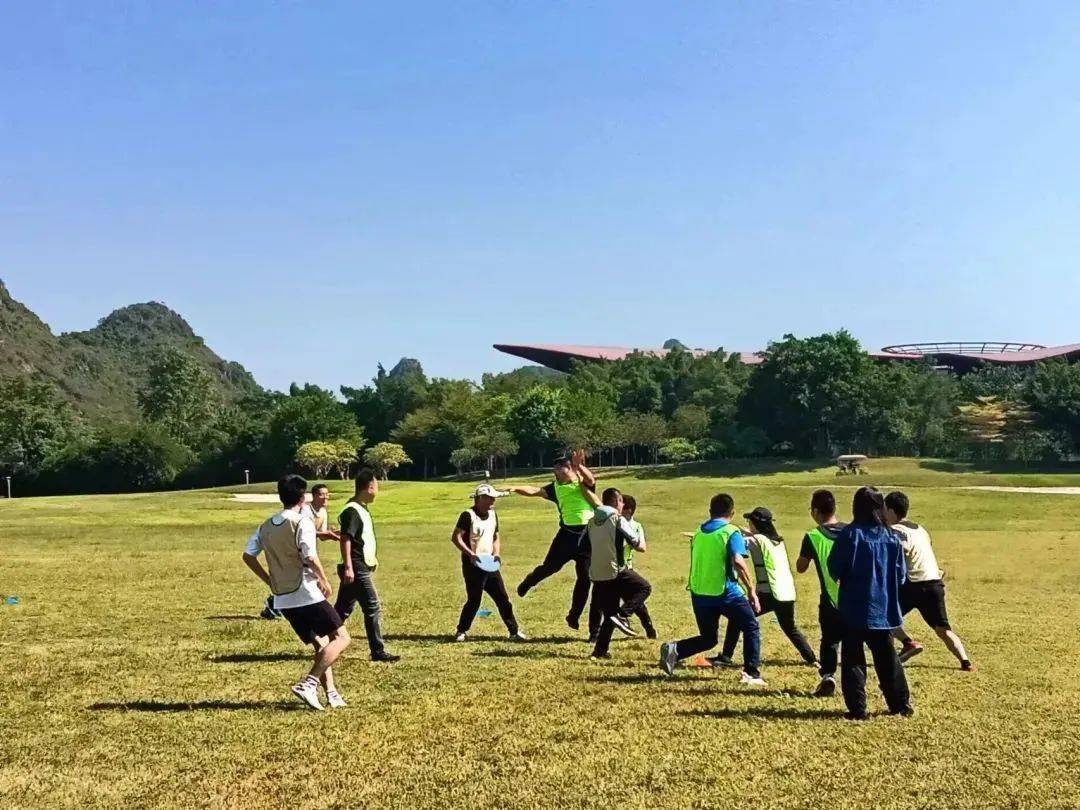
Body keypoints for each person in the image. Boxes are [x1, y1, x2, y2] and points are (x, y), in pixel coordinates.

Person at [242, 474, 351, 711]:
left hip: (284, 599)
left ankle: (331, 694)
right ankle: (309, 683)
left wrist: (268, 580)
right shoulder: (303, 523)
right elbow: (310, 556)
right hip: (306, 592)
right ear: (303, 497)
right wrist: (323, 579)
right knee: (341, 638)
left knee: (321, 645)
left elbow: (248, 556)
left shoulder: (266, 526)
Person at [659, 494, 765, 686]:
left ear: (710, 512)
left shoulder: (699, 532)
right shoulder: (731, 532)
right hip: (725, 591)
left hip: (699, 593)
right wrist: (751, 591)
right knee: (751, 625)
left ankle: (675, 649)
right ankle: (752, 673)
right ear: (732, 513)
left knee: (708, 638)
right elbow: (739, 562)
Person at [827, 486, 913, 720]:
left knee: (853, 659)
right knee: (888, 659)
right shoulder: (891, 537)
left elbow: (834, 568)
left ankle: (857, 708)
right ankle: (900, 704)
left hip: (854, 607)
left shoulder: (850, 535)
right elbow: (901, 576)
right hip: (883, 609)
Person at [507, 450, 602, 639]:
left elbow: (591, 479)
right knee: (550, 567)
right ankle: (529, 581)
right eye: (555, 470)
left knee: (585, 578)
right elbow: (535, 491)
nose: (557, 473)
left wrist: (579, 467)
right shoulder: (555, 487)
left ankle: (574, 616)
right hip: (566, 535)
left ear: (570, 469)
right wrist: (515, 488)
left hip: (587, 537)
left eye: (560, 469)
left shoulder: (581, 483)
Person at [716, 506, 815, 668]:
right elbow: (754, 537)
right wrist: (746, 531)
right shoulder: (777, 541)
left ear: (755, 524)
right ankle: (812, 659)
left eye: (750, 521)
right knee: (790, 628)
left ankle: (726, 657)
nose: (748, 524)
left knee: (738, 618)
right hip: (785, 593)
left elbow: (735, 543)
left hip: (769, 593)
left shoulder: (757, 540)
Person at [885, 491, 973, 671]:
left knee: (884, 618)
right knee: (943, 629)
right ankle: (966, 662)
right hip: (934, 583)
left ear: (892, 511)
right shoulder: (920, 529)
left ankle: (908, 643)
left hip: (913, 585)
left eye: (884, 509)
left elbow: (901, 548)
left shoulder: (896, 531)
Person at [577, 482, 651, 660]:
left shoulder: (592, 522)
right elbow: (637, 544)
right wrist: (639, 541)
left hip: (598, 573)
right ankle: (623, 615)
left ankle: (599, 651)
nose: (623, 505)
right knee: (644, 588)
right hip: (616, 570)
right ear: (618, 501)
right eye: (621, 501)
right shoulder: (618, 519)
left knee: (609, 614)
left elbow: (581, 545)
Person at [334, 469, 400, 663]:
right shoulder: (352, 510)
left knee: (342, 609)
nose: (377, 490)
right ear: (369, 486)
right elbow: (345, 539)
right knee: (372, 606)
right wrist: (348, 567)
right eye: (376, 486)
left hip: (360, 566)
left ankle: (318, 635)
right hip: (356, 567)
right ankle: (377, 651)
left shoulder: (360, 508)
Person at [452, 484, 526, 642]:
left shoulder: (493, 514)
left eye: (493, 498)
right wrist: (470, 554)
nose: (492, 501)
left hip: (490, 563)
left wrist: (497, 553)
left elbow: (496, 536)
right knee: (474, 600)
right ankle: (461, 631)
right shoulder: (468, 515)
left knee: (502, 599)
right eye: (489, 498)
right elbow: (456, 537)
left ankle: (514, 631)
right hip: (473, 564)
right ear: (479, 499)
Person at [260, 483, 339, 620]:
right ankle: (274, 603)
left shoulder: (323, 512)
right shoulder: (306, 510)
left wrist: (332, 535)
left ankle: (276, 605)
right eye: (322, 494)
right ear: (313, 496)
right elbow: (300, 529)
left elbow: (320, 535)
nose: (326, 497)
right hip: (295, 550)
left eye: (327, 494)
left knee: (302, 582)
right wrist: (325, 534)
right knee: (296, 579)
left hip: (307, 550)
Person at [796, 489, 847, 697]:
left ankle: (828, 676)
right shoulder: (851, 530)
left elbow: (801, 567)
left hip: (830, 599)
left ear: (815, 511)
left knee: (829, 639)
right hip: (856, 597)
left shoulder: (812, 536)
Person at [620, 495, 656, 639]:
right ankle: (595, 635)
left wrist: (630, 540)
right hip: (611, 567)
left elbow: (642, 547)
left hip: (626, 568)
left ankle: (648, 627)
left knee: (636, 600)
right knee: (633, 601)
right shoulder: (614, 522)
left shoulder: (636, 526)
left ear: (628, 510)